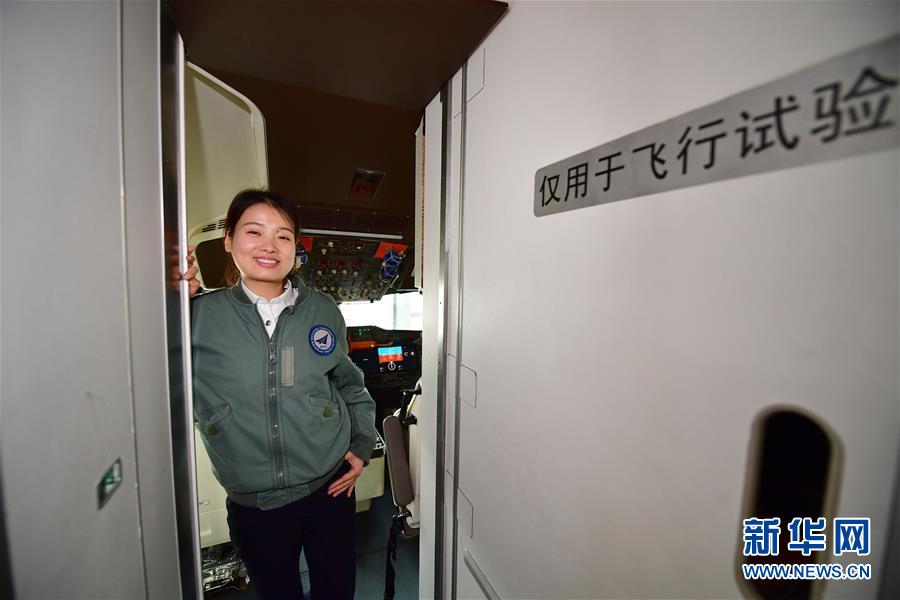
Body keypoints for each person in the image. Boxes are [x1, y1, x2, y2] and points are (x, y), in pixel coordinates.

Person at [180, 189, 377, 599]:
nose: (269, 246)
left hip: (330, 487)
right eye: (254, 232)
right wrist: (164, 297)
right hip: (255, 503)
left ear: (295, 248)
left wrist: (361, 445)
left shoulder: (322, 309)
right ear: (228, 241)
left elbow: (351, 386)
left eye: (283, 236)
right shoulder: (194, 316)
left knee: (336, 592)